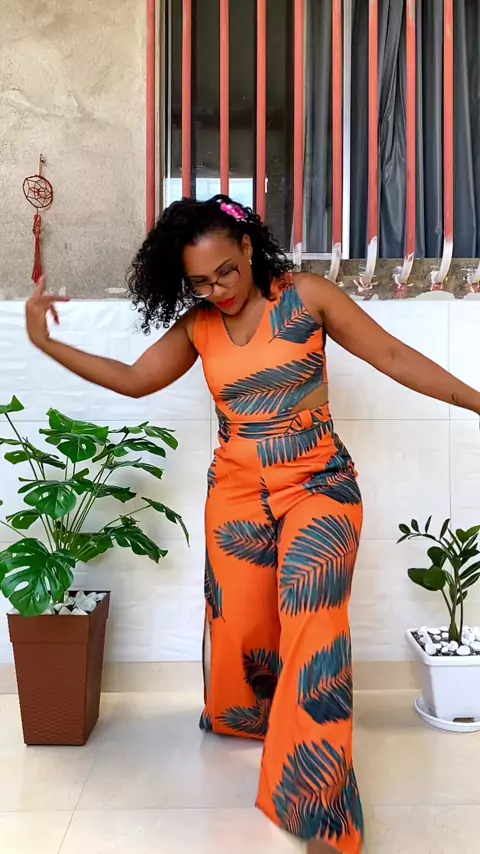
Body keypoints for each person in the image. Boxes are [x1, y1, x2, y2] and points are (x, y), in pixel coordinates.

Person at [25, 195, 480, 854]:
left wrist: (477, 402)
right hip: (236, 493)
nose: (218, 291)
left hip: (319, 485)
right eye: (200, 283)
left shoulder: (308, 298)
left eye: (226, 273)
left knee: (314, 625)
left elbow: (392, 356)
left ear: (247, 248)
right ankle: (246, 719)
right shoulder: (199, 326)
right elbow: (133, 379)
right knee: (240, 623)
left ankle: (318, 806)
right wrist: (45, 342)